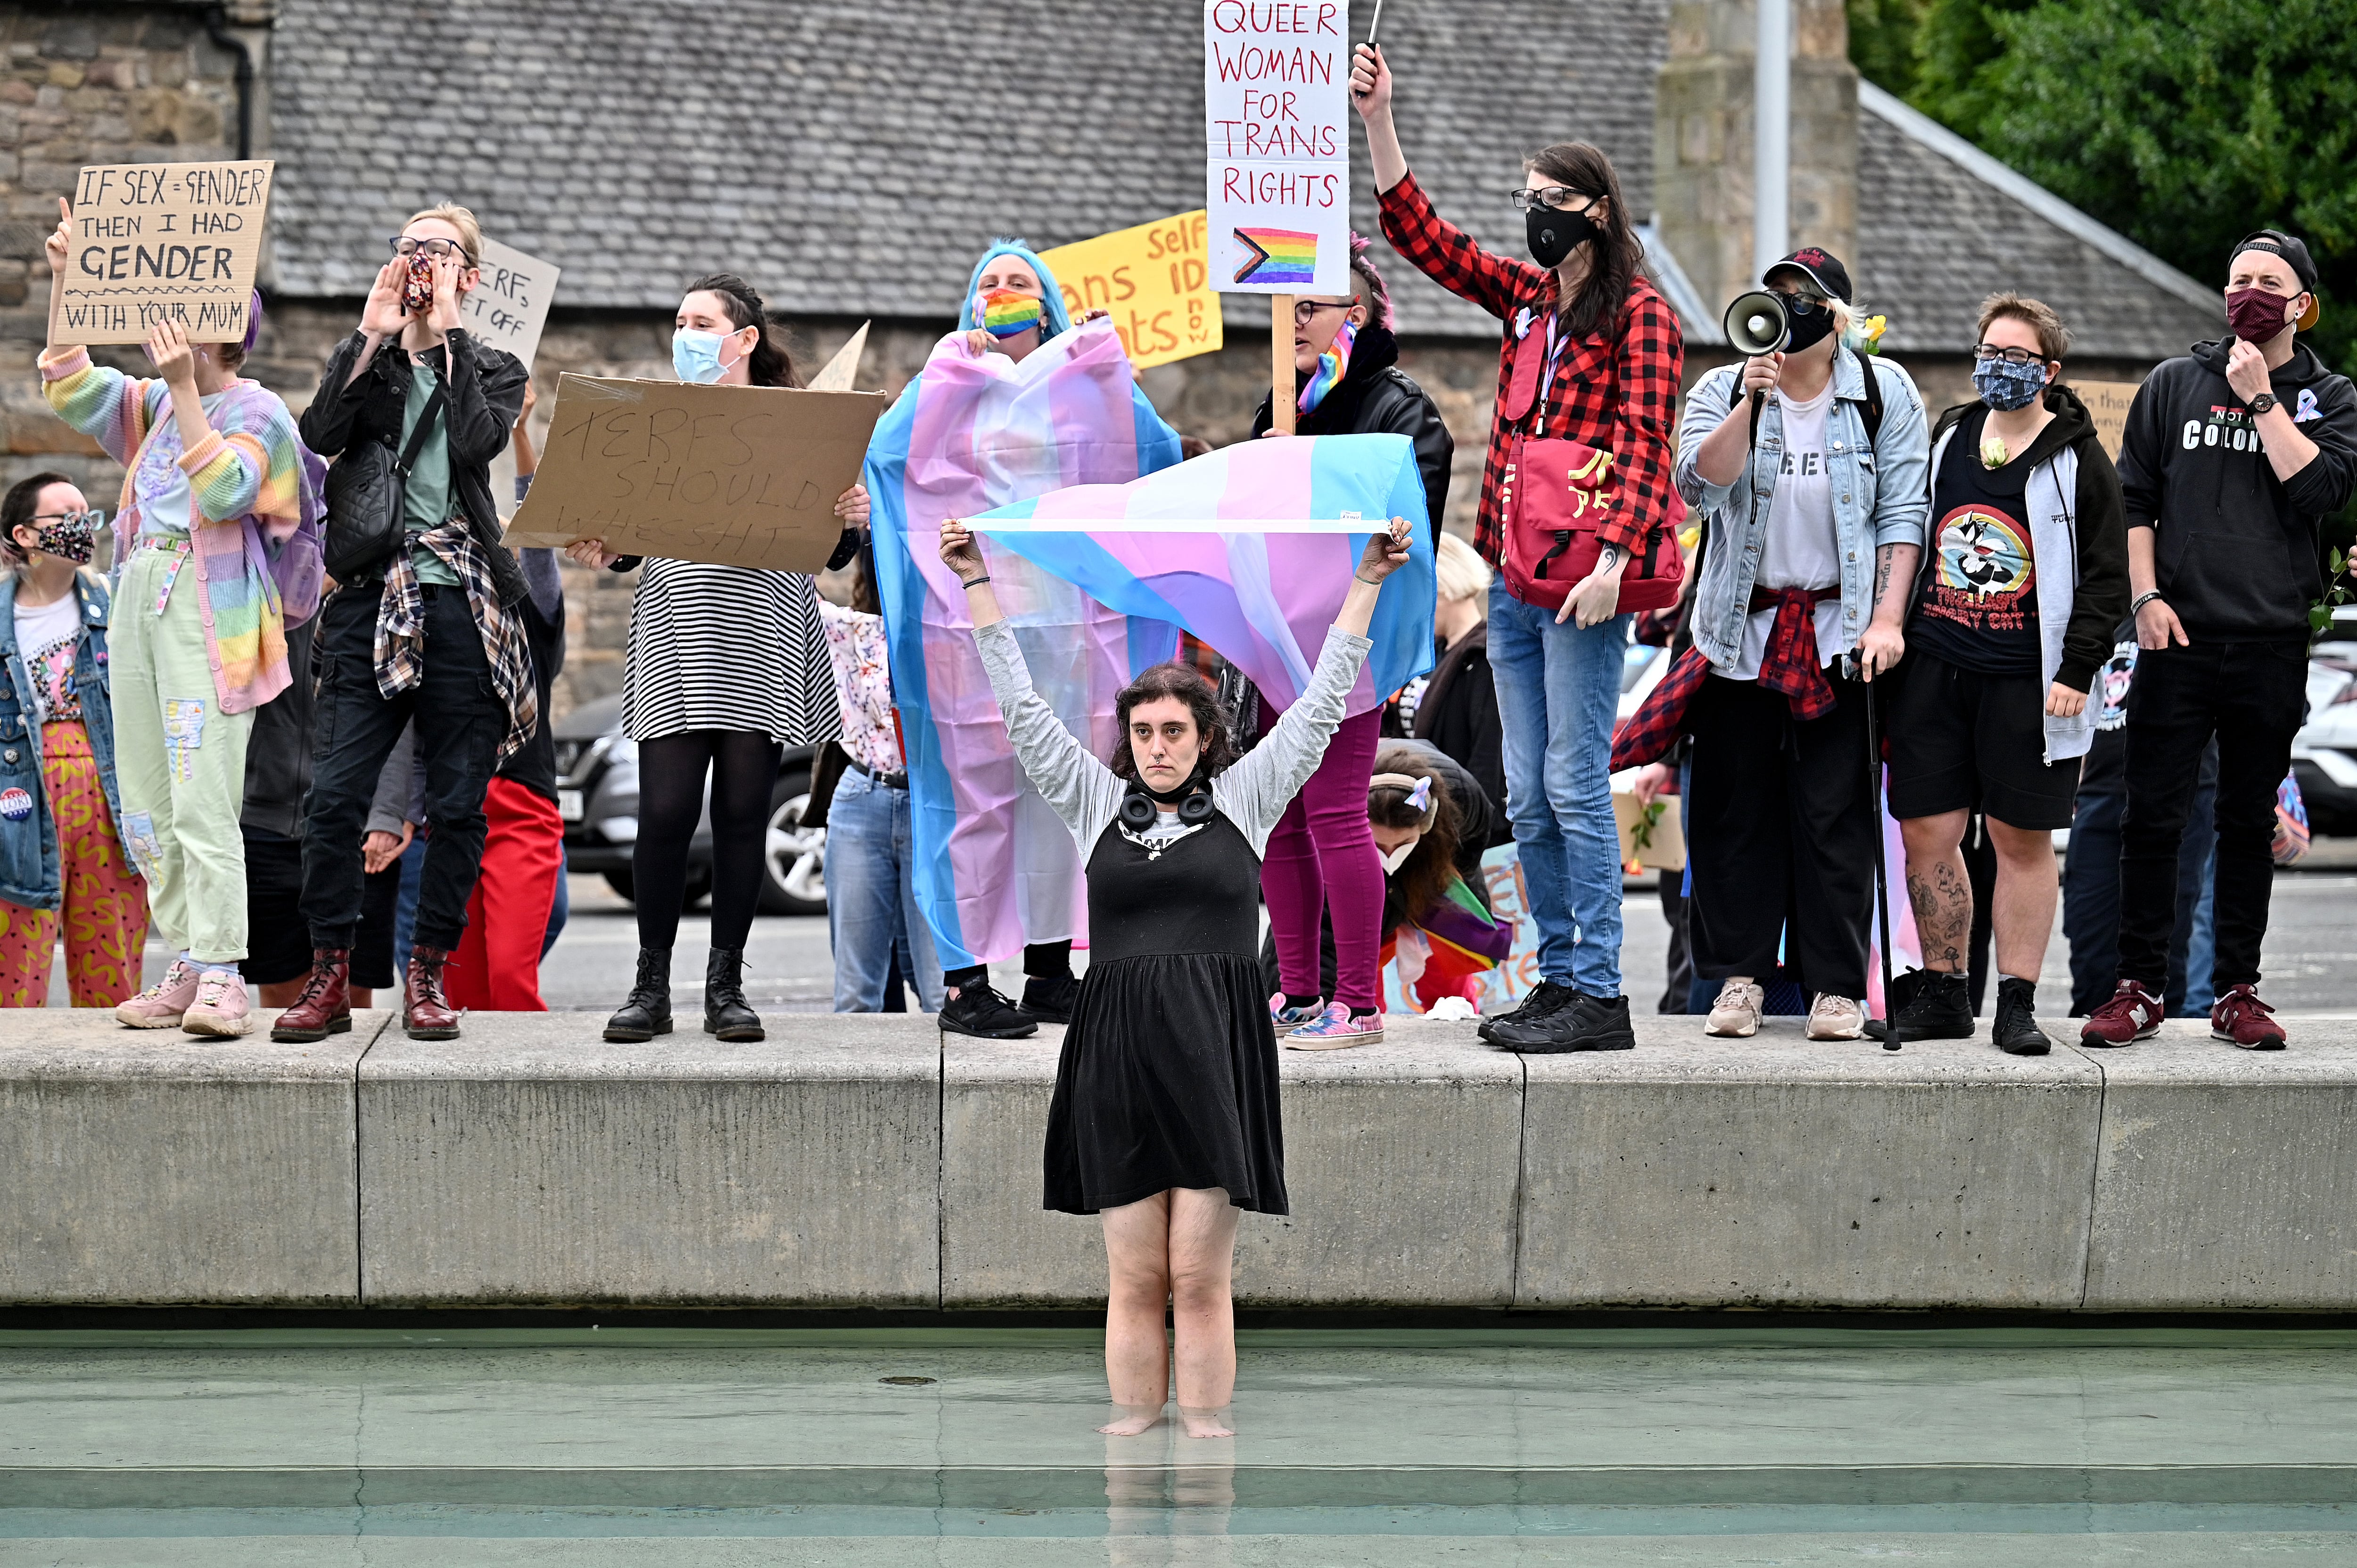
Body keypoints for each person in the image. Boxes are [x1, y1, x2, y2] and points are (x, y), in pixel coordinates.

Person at [941, 509, 1412, 1439]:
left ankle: (1204, 1449)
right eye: (1144, 731)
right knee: (1134, 1275)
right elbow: (1025, 711)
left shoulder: (1245, 798)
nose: (1158, 745)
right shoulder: (1093, 801)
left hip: (1214, 1056)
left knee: (1197, 1275)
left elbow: (1320, 705)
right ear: (1129, 740)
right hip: (1117, 1053)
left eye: (1175, 729)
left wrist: (1365, 581)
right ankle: (1128, 1444)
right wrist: (973, 579)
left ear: (1205, 737)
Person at [1356, 44, 1681, 1054]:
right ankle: (1558, 972)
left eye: (1549, 197)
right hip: (1515, 578)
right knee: (1532, 788)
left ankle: (1598, 991)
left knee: (1578, 783)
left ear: (1594, 208)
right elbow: (1425, 238)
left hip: (1585, 583)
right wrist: (1379, 120)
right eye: (1524, 194)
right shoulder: (1530, 302)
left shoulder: (1641, 313)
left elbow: (1645, 440)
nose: (1530, 210)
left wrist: (1613, 560)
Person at [864, 240, 1179, 1042]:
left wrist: (1122, 387)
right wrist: (941, 375)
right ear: (971, 305)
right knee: (974, 795)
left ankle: (1048, 968)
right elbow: (885, 459)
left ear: (1047, 306)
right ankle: (966, 981)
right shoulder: (945, 381)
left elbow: (1156, 459)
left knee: (1062, 790)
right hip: (967, 625)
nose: (1003, 292)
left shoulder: (1083, 383)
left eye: (1020, 282)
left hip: (1070, 628)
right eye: (988, 283)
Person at [38, 203, 324, 1038]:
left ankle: (226, 972)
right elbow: (67, 383)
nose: (167, 327)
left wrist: (191, 391)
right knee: (146, 797)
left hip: (211, 607)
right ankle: (193, 956)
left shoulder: (259, 410)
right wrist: (65, 280)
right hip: (137, 594)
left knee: (203, 795)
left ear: (227, 332)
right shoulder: (155, 402)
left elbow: (229, 493)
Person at [2081, 230, 2357, 1051]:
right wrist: (2147, 597)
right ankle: (2138, 987)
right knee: (2153, 817)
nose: (2250, 293)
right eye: (2239, 278)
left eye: (2270, 282)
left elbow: (2320, 489)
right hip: (2178, 637)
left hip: (2271, 639)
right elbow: (2135, 502)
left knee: (2245, 821)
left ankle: (2238, 989)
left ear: (2301, 305)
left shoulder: (2328, 394)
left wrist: (2264, 398)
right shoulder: (2173, 383)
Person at [563, 273, 849, 1045]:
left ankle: (726, 985)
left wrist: (852, 516)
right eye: (679, 321)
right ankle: (649, 985)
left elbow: (834, 546)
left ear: (744, 337)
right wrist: (607, 545)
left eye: (700, 321)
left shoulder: (798, 426)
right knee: (662, 813)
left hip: (759, 634)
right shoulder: (657, 418)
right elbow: (625, 531)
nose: (684, 333)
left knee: (742, 816)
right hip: (676, 637)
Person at [273, 204, 533, 1046]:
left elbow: (476, 443)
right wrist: (370, 337)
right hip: (369, 600)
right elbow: (319, 435)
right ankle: (329, 972)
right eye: (409, 246)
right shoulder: (368, 358)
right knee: (335, 797)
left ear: (469, 274)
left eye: (439, 250)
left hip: (461, 600)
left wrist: (447, 337)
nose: (420, 260)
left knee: (458, 806)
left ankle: (427, 972)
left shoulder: (495, 366)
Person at [1673, 247, 1929, 1040]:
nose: (1790, 308)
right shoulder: (1723, 387)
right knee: (1735, 814)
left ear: (1839, 317)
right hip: (1738, 635)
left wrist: (1886, 620)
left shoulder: (1883, 395)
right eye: (1777, 294)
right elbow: (1696, 488)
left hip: (1837, 636)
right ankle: (1741, 981)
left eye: (1806, 297)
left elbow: (1903, 514)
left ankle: (1834, 987)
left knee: (1835, 817)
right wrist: (1750, 405)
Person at [1882, 295, 2128, 1051]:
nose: (1999, 367)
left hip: (2031, 680)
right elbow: (1914, 532)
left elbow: (2106, 578)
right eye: (1990, 350)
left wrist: (2078, 668)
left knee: (2020, 837)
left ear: (2048, 372)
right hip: (1937, 664)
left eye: (2018, 358)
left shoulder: (2078, 459)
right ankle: (1946, 989)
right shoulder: (1951, 433)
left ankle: (2016, 1000)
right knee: (1927, 827)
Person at [1247, 233, 1453, 1046]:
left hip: (1350, 642)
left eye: (1308, 306)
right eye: (1283, 305)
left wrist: (1304, 470)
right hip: (1279, 639)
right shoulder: (1280, 397)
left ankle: (1358, 1004)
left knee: (1335, 815)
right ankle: (1297, 992)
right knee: (1282, 819)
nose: (1289, 320)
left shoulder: (1402, 406)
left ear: (1355, 314)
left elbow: (1411, 523)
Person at [0, 474, 147, 1007]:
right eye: (65, 517)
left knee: (111, 973)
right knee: (12, 978)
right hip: (16, 801)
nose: (81, 527)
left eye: (87, 515)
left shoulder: (117, 604)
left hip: (108, 796)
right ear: (25, 535)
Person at [445, 381, 567, 1013]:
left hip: (519, 804)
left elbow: (538, 533)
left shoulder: (532, 614)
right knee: (458, 995)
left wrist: (520, 432)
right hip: (456, 809)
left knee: (512, 989)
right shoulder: (441, 619)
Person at [820, 539, 942, 1013]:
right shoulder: (851, 629)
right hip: (862, 796)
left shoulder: (952, 631)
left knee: (943, 988)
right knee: (855, 994)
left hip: (932, 803)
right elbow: (792, 591)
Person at [1395, 532, 1506, 834]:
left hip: (1461, 827)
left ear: (1441, 588)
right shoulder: (1439, 652)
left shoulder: (1482, 656)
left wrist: (1473, 832)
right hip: (1432, 818)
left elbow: (1488, 760)